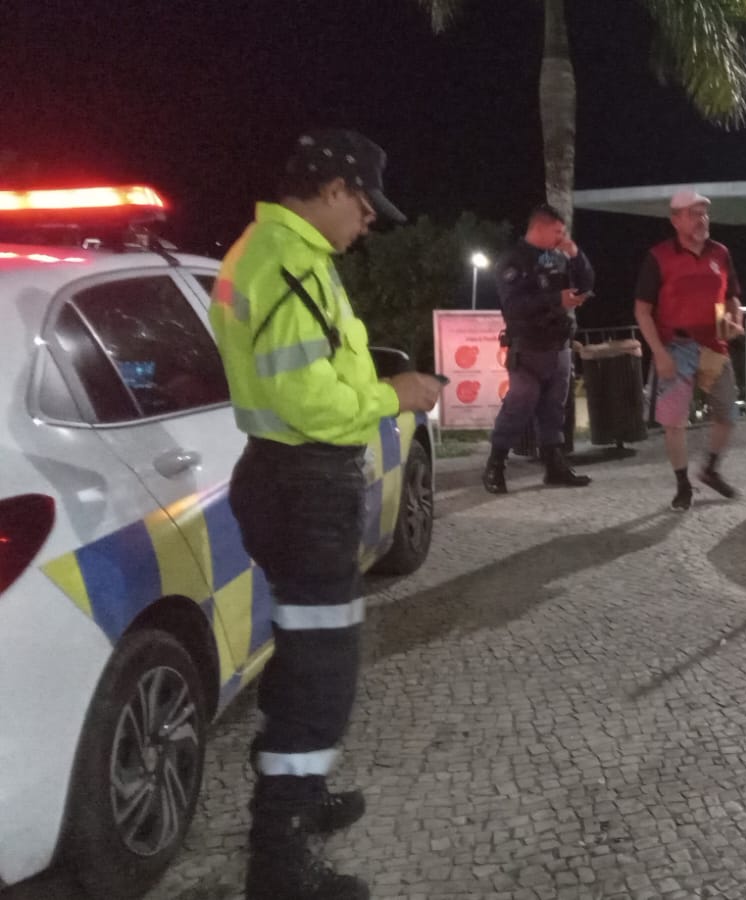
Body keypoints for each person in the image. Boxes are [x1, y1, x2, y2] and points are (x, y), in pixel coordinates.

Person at [209, 129, 440, 900]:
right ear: (334, 189)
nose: (369, 223)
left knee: (304, 655)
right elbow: (308, 400)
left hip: (285, 479)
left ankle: (300, 795)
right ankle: (279, 858)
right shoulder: (289, 263)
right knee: (321, 677)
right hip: (304, 485)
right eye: (366, 207)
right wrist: (396, 395)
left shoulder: (265, 251)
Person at [635, 188, 745, 511]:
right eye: (694, 214)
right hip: (675, 345)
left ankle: (710, 469)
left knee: (727, 413)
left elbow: (731, 296)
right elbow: (642, 310)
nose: (702, 219)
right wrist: (659, 352)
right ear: (676, 220)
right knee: (674, 422)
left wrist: (734, 320)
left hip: (714, 345)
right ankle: (682, 485)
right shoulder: (659, 257)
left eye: (704, 213)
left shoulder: (720, 253)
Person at [482, 204, 595, 493]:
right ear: (539, 228)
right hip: (528, 346)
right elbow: (514, 306)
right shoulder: (513, 260)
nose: (561, 237)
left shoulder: (558, 256)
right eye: (557, 232)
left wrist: (575, 255)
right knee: (519, 405)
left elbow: (586, 283)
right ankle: (496, 464)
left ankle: (554, 466)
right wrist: (556, 300)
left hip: (558, 344)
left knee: (554, 409)